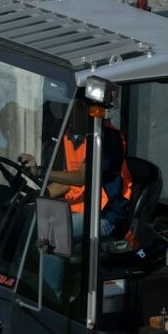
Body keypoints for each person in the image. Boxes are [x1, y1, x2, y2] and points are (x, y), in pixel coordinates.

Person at [19, 120, 133, 300]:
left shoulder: (106, 137)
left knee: (52, 232)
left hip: (103, 215)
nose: (73, 111)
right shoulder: (70, 136)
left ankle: (51, 301)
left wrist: (40, 171)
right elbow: (68, 183)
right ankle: (20, 285)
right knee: (23, 215)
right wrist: (38, 194)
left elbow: (81, 178)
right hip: (74, 208)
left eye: (80, 104)